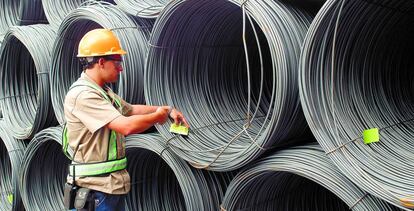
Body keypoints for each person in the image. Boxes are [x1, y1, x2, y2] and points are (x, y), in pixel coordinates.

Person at [63, 28, 189, 211]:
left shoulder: (103, 92)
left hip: (110, 187)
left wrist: (167, 109)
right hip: (94, 191)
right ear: (101, 62)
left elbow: (131, 110)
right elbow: (126, 126)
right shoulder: (83, 95)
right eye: (117, 63)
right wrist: (157, 117)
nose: (121, 68)